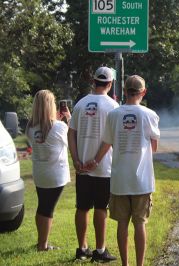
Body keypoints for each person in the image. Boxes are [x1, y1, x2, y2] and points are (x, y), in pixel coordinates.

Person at [85, 75, 160, 266]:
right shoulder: (150, 115)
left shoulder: (114, 115)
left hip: (119, 180)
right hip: (141, 181)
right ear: (143, 92)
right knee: (140, 223)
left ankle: (125, 264)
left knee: (122, 224)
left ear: (124, 91)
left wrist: (94, 161)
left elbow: (106, 144)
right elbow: (154, 147)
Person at [68, 66, 119, 262]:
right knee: (100, 208)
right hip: (103, 167)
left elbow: (71, 133)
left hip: (82, 168)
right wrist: (97, 159)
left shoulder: (81, 104)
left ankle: (82, 249)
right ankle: (99, 250)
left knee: (82, 207)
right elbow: (110, 138)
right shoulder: (113, 106)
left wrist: (76, 159)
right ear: (110, 83)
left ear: (93, 81)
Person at [26, 90, 71, 251]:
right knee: (48, 209)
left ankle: (41, 242)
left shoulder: (30, 126)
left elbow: (42, 137)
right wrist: (69, 119)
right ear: (50, 105)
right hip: (55, 174)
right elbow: (73, 139)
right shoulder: (59, 126)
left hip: (40, 173)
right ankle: (43, 245)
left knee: (42, 206)